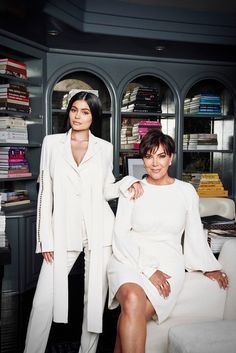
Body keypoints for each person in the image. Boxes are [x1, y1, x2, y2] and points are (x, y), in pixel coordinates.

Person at [24, 91, 142, 353]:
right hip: (63, 231)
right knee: (43, 301)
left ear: (94, 116)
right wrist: (45, 239)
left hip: (99, 230)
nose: (78, 116)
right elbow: (45, 192)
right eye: (74, 110)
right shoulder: (52, 143)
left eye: (85, 111)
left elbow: (106, 189)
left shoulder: (105, 147)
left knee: (94, 302)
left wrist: (128, 182)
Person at [107, 128, 229, 353]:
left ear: (171, 158)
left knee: (130, 316)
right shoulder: (132, 189)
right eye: (148, 156)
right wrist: (148, 270)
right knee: (133, 298)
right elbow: (120, 235)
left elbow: (194, 232)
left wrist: (208, 266)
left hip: (168, 263)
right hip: (130, 259)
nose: (154, 163)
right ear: (142, 159)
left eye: (161, 156)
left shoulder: (185, 191)